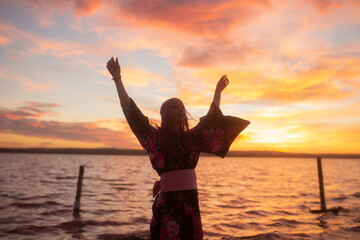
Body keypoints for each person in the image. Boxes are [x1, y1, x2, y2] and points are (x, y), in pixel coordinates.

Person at [106, 57, 250, 240]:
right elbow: (130, 112)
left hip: (190, 204)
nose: (180, 110)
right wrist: (118, 79)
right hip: (168, 205)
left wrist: (217, 92)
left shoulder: (193, 138)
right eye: (175, 107)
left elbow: (212, 120)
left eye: (182, 107)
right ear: (165, 113)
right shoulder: (153, 137)